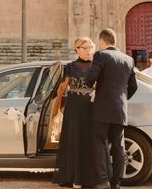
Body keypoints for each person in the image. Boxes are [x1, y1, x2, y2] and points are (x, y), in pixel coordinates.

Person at [86, 28, 138, 189]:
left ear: (102, 41)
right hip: (120, 109)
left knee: (100, 143)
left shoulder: (101, 55)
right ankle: (117, 181)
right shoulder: (128, 59)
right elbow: (133, 86)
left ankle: (102, 181)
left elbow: (90, 79)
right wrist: (121, 100)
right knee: (118, 145)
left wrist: (93, 84)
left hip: (102, 109)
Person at [52, 37, 98, 189]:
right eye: (84, 48)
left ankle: (88, 178)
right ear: (77, 49)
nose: (88, 50)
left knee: (89, 142)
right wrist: (56, 107)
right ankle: (73, 177)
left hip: (91, 107)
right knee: (74, 141)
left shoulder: (98, 66)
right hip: (74, 108)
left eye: (90, 47)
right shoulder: (70, 66)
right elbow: (62, 87)